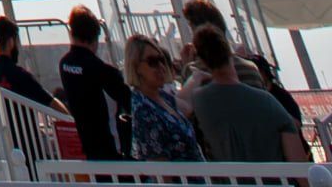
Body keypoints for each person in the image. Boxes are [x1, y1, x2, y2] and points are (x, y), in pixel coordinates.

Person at [189, 25, 309, 164]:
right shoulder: (266, 101)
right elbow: (297, 162)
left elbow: (181, 106)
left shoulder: (199, 100)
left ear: (202, 61)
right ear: (230, 53)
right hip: (274, 182)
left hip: (227, 183)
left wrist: (194, 78)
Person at [58, 5, 131, 160]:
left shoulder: (65, 64)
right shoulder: (102, 70)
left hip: (89, 148)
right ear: (96, 37)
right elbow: (130, 103)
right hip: (111, 149)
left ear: (72, 34)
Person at [125, 35, 202, 164]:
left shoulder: (161, 96)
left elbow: (186, 107)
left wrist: (197, 78)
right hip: (182, 182)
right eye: (152, 62)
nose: (161, 66)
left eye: (161, 60)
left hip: (197, 179)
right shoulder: (144, 111)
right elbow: (160, 171)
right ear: (136, 66)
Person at [0, 16, 65, 112]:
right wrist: (70, 119)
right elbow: (49, 101)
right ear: (11, 41)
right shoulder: (20, 75)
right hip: (23, 127)